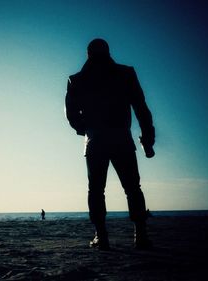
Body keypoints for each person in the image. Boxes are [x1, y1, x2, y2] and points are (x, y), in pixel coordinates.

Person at [65, 38, 155, 250]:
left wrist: (85, 130)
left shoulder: (77, 79)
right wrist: (148, 138)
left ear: (88, 54)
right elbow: (141, 108)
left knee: (96, 190)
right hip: (121, 137)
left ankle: (101, 236)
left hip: (95, 139)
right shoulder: (125, 73)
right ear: (108, 52)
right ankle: (140, 234)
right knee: (132, 187)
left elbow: (71, 115)